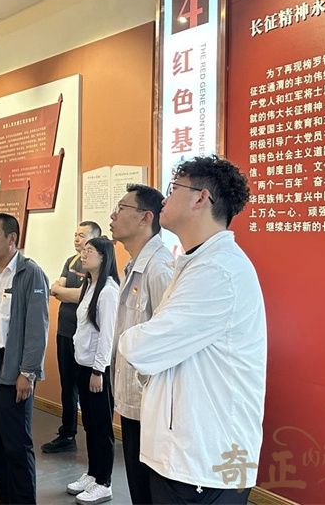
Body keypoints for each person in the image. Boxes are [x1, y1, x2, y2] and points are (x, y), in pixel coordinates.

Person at [119, 156, 266, 504]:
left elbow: (143, 348)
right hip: (188, 451)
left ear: (200, 198)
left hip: (204, 460)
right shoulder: (197, 262)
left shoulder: (217, 271)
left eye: (174, 189)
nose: (165, 198)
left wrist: (133, 338)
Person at [0, 213, 49, 505]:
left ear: (12, 238)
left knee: (16, 445)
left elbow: (37, 328)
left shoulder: (30, 273)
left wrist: (28, 372)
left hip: (11, 367)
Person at [109, 184, 174, 504]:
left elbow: (168, 343)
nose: (113, 215)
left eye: (121, 208)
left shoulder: (159, 268)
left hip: (151, 405)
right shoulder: (133, 265)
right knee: (138, 487)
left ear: (145, 217)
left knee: (150, 491)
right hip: (134, 401)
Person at [65, 237, 119, 505]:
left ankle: (104, 482)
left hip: (97, 371)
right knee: (89, 423)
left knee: (101, 426)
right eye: (83, 250)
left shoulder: (108, 290)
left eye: (89, 251)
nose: (83, 255)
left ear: (103, 256)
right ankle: (93, 473)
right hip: (83, 364)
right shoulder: (89, 285)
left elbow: (107, 335)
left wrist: (98, 371)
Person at [43, 221, 102, 454]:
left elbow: (83, 295)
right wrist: (66, 292)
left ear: (95, 239)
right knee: (67, 386)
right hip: (65, 331)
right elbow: (55, 287)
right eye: (76, 234)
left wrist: (64, 292)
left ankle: (94, 439)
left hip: (85, 337)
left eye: (82, 235)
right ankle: (67, 434)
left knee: (85, 388)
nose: (77, 239)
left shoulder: (96, 265)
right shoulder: (71, 261)